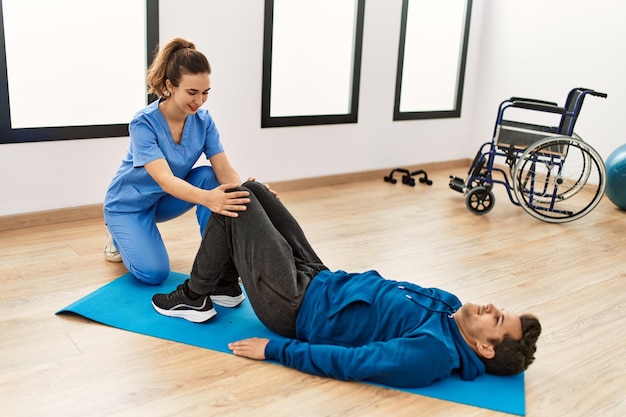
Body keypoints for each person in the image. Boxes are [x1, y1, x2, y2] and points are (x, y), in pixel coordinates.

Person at [151, 181, 542, 388]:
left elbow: (354, 363)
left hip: (294, 306)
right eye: (500, 308)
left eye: (495, 319)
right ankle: (223, 282)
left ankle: (193, 296)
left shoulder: (433, 354)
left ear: (485, 349)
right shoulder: (451, 306)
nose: (490, 306)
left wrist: (275, 350)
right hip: (320, 278)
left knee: (233, 205)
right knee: (251, 188)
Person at [103, 37, 256, 286]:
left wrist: (246, 194)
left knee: (209, 177)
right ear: (170, 86)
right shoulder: (143, 123)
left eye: (205, 92)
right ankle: (117, 234)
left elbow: (223, 167)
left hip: (164, 202)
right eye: (192, 92)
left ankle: (216, 259)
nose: (199, 100)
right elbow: (165, 179)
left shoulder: (203, 121)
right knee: (154, 274)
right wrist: (209, 199)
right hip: (128, 205)